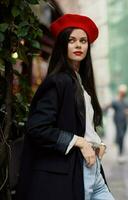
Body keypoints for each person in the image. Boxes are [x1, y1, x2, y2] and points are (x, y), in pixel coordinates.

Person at [17, 14, 115, 200]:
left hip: (92, 170)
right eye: (72, 40)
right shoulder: (58, 82)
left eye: (83, 41)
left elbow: (81, 125)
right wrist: (80, 142)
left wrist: (96, 143)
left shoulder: (81, 82)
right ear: (63, 45)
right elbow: (37, 128)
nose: (78, 45)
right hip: (72, 172)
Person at [111, 84, 128, 163]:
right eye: (122, 92)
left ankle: (120, 150)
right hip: (118, 121)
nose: (123, 93)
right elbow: (110, 105)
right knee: (121, 135)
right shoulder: (116, 101)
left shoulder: (126, 101)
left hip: (124, 121)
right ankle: (120, 153)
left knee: (122, 136)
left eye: (124, 92)